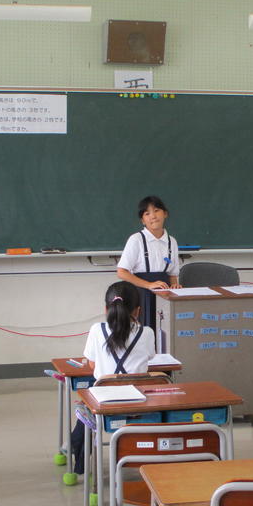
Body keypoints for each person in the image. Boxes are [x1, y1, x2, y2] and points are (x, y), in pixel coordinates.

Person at [71, 282, 156, 473]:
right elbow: (150, 357)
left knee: (92, 390)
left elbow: (92, 365)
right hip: (139, 405)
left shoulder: (96, 330)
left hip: (104, 406)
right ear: (138, 311)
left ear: (106, 309)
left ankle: (80, 458)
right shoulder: (147, 333)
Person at [117, 195, 180, 332]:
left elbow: (172, 274)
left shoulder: (172, 242)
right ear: (142, 220)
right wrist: (149, 285)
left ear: (165, 213)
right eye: (147, 213)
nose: (153, 216)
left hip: (164, 294)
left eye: (156, 210)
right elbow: (122, 272)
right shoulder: (136, 239)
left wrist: (174, 286)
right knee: (145, 332)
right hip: (141, 294)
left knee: (165, 332)